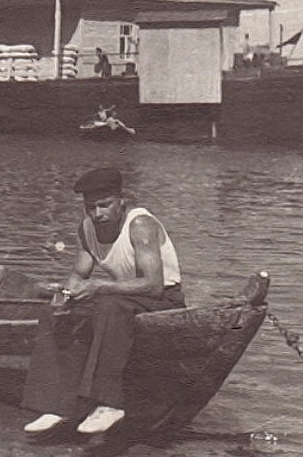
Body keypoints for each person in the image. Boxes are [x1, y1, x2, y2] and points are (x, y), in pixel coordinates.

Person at [21, 167, 184, 436]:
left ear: (122, 201)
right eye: (91, 207)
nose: (98, 214)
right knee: (55, 313)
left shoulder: (140, 225)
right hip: (124, 299)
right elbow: (78, 274)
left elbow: (153, 285)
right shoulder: (87, 229)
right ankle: (58, 405)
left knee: (110, 304)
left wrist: (100, 287)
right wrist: (64, 295)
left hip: (164, 300)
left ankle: (110, 404)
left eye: (105, 205)